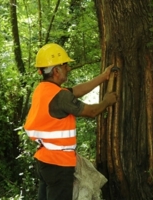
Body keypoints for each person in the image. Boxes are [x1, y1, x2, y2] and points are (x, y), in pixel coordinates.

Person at [24, 43, 117, 200]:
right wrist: (107, 102)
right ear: (56, 71)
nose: (69, 68)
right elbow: (92, 112)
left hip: (44, 161)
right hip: (58, 165)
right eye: (65, 65)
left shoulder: (43, 90)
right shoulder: (60, 96)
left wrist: (103, 77)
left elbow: (76, 91)